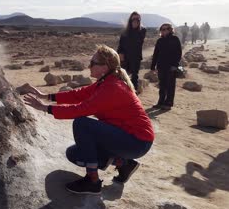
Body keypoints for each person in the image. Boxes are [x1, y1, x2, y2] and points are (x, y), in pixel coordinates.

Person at [22, 45, 154, 195]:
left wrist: (45, 108)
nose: (89, 66)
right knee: (74, 153)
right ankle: (124, 163)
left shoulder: (112, 87)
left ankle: (92, 181)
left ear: (104, 67)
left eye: (93, 63)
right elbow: (79, 94)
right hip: (128, 137)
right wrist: (47, 96)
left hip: (137, 142)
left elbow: (80, 109)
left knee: (82, 123)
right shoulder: (105, 82)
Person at [150, 23, 182, 110]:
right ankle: (160, 102)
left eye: (166, 29)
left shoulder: (175, 39)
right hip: (161, 66)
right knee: (162, 85)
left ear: (170, 30)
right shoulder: (159, 41)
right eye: (162, 29)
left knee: (170, 85)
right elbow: (155, 54)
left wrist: (175, 65)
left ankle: (168, 103)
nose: (164, 31)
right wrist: (153, 67)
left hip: (171, 67)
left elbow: (178, 53)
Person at [117, 11, 146, 91]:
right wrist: (120, 53)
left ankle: (133, 94)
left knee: (134, 77)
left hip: (135, 57)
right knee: (122, 75)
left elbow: (138, 41)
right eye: (134, 18)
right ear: (130, 19)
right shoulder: (125, 31)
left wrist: (134, 28)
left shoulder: (142, 31)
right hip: (124, 57)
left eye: (137, 19)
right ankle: (123, 93)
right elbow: (121, 44)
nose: (135, 20)